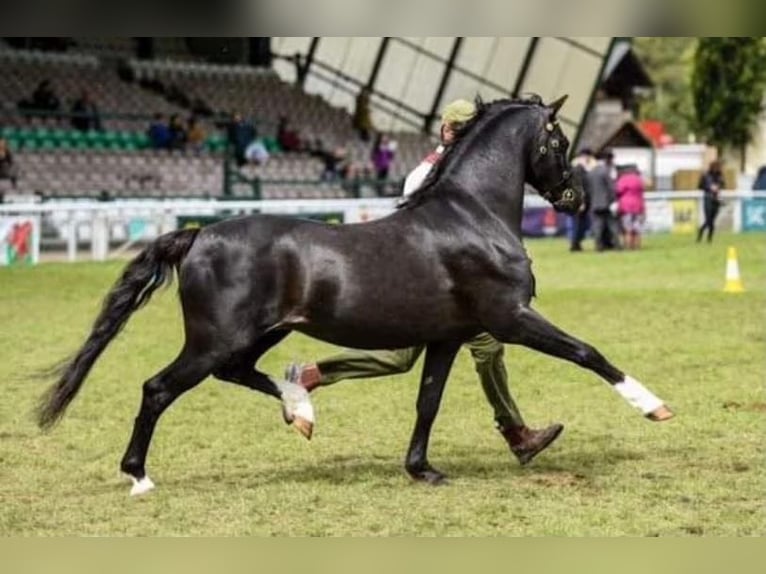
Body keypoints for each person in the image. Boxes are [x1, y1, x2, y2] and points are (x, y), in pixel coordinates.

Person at [285, 99, 564, 467]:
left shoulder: (467, 169)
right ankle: (514, 435)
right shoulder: (426, 175)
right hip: (431, 287)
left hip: (460, 287)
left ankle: (516, 434)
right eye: (465, 130)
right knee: (405, 358)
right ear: (449, 131)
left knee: (485, 349)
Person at [586, 150, 621, 251]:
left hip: (595, 204)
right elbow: (611, 188)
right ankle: (617, 245)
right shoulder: (606, 171)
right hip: (607, 203)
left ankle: (598, 246)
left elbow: (589, 190)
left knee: (598, 226)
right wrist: (614, 201)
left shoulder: (590, 173)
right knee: (612, 225)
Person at [615, 165, 646, 250]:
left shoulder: (623, 179)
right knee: (637, 229)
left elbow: (618, 191)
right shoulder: (639, 180)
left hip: (626, 206)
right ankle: (637, 247)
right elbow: (642, 192)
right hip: (638, 206)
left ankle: (628, 247)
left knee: (627, 228)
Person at [568, 149, 593, 252]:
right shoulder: (579, 170)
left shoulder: (578, 169)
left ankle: (576, 244)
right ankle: (575, 245)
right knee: (578, 225)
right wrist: (581, 202)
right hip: (579, 203)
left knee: (580, 225)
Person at [696, 160, 725, 243]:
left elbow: (723, 184)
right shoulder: (705, 175)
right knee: (709, 220)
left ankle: (709, 238)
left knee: (712, 220)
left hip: (716, 198)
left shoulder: (720, 176)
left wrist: (718, 187)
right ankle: (702, 233)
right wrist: (709, 188)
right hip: (708, 198)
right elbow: (700, 186)